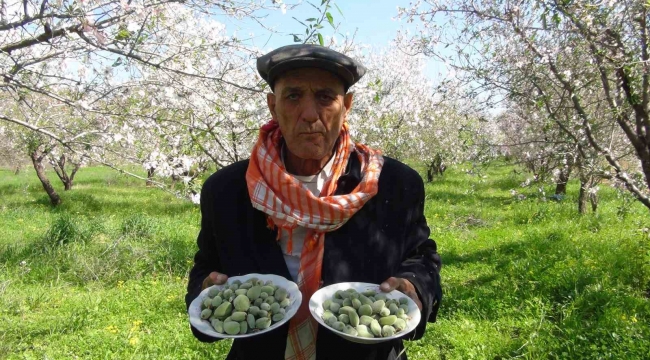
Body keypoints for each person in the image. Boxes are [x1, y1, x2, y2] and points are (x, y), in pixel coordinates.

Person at [185, 44, 442, 360]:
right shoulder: (227, 190)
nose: (309, 114)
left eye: (325, 97)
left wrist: (415, 286)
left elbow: (421, 256)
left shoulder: (393, 185)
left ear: (346, 105)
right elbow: (207, 265)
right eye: (293, 96)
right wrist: (204, 294)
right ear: (272, 106)